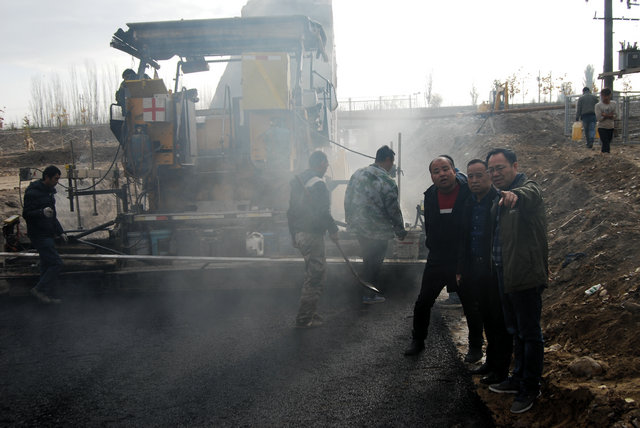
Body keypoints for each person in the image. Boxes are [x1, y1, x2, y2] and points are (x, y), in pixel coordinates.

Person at [485, 148, 547, 414]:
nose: (495, 173)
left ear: (514, 166)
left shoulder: (526, 190)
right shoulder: (498, 197)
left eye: (500, 168)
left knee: (530, 333)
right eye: (491, 170)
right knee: (515, 330)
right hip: (505, 272)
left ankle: (531, 386)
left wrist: (515, 195)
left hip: (525, 274)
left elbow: (529, 194)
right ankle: (518, 376)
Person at [404, 156, 483, 364]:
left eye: (445, 169)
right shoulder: (430, 195)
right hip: (438, 258)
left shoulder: (468, 193)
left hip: (463, 257)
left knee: (471, 304)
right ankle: (418, 340)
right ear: (431, 176)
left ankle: (476, 346)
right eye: (436, 171)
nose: (442, 174)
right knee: (423, 302)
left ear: (454, 171)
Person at [456, 159, 512, 385]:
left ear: (489, 176)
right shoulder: (468, 203)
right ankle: (491, 361)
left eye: (479, 175)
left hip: (493, 269)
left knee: (499, 320)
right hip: (474, 268)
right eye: (470, 176)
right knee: (486, 316)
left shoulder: (499, 201)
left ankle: (501, 369)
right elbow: (463, 238)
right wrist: (461, 269)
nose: (475, 180)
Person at [344, 145, 407, 304]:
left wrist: (349, 220)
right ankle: (369, 295)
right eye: (392, 162)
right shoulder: (387, 181)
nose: (392, 166)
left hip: (360, 227)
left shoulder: (357, 174)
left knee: (368, 258)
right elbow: (393, 209)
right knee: (374, 262)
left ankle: (364, 292)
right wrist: (400, 230)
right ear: (388, 160)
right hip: (378, 231)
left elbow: (347, 198)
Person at [287, 151, 339, 328]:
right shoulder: (318, 183)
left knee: (312, 273)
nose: (327, 166)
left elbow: (290, 211)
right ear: (321, 163)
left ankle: (309, 312)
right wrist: (333, 230)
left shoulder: (299, 182)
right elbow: (322, 211)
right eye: (326, 163)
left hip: (300, 234)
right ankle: (304, 318)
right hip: (312, 235)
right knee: (316, 276)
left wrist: (293, 234)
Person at [22, 165, 67, 304]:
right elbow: (26, 214)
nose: (57, 182)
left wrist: (60, 232)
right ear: (47, 177)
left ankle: (45, 296)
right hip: (38, 234)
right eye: (55, 179)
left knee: (46, 264)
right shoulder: (33, 193)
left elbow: (52, 216)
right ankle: (39, 289)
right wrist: (41, 212)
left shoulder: (49, 193)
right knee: (56, 263)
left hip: (48, 233)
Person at [595, 88, 617, 154]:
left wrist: (605, 115)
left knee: (608, 141)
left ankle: (603, 154)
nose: (606, 98)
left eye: (607, 95)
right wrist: (609, 115)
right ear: (601, 96)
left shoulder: (613, 104)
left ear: (610, 95)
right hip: (602, 127)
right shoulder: (598, 105)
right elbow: (599, 118)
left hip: (610, 126)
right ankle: (606, 154)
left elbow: (616, 115)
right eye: (604, 96)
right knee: (605, 142)